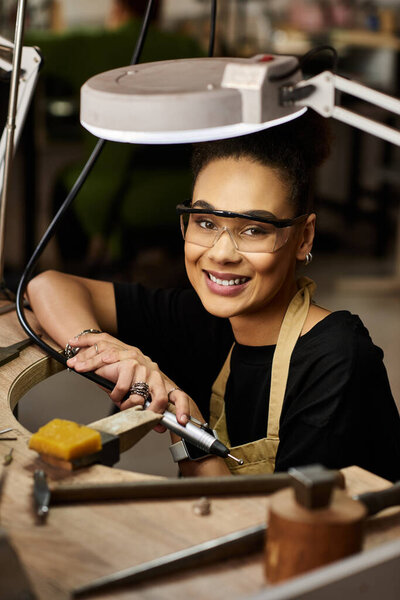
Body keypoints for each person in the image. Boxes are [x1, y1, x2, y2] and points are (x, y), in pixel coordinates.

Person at [27, 111, 400, 481]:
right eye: (205, 223)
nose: (221, 253)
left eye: (254, 229)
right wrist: (107, 352)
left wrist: (188, 426)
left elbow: (273, 532)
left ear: (303, 237)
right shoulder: (206, 320)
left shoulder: (337, 360)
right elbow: (50, 286)